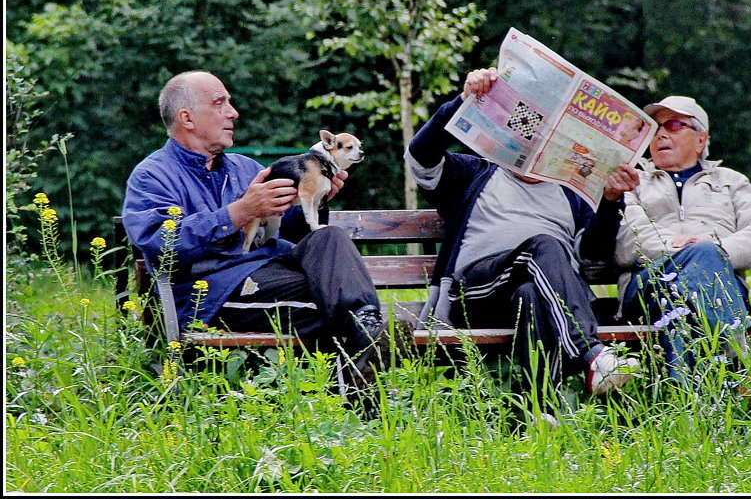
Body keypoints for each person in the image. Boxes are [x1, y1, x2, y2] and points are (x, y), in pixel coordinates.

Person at [122, 71, 387, 416]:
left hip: (271, 273)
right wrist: (239, 212)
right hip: (213, 293)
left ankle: (366, 327)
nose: (233, 112)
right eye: (220, 103)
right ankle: (360, 401)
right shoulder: (152, 175)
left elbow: (287, 231)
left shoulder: (247, 168)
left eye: (230, 103)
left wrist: (317, 198)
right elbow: (160, 242)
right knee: (333, 311)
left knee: (329, 237)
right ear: (186, 117)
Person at [406, 67, 641, 410]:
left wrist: (609, 202)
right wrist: (463, 101)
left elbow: (592, 258)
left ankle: (540, 411)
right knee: (543, 245)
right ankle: (592, 355)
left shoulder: (573, 193)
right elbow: (421, 156)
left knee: (532, 293)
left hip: (538, 290)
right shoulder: (475, 173)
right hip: (476, 292)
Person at [614, 95, 751, 383]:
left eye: (673, 125)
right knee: (699, 260)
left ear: (700, 140)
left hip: (707, 285)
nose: (661, 134)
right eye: (654, 128)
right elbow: (625, 241)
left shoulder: (730, 182)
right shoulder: (633, 181)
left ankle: (686, 395)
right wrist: (681, 249)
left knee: (680, 302)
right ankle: (741, 371)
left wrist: (718, 251)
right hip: (647, 286)